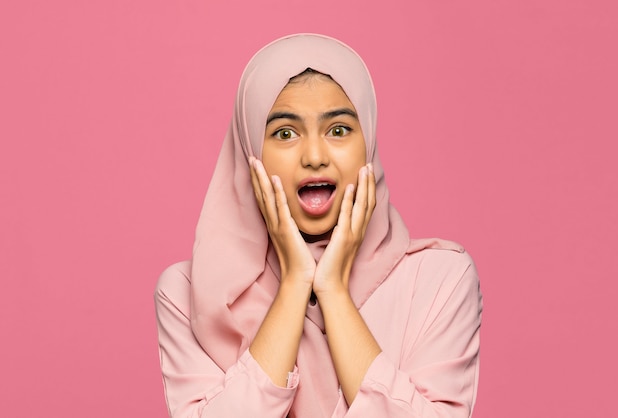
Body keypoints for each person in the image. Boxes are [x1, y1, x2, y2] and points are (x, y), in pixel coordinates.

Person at [155, 33, 482, 418]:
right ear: (250, 152)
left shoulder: (440, 279)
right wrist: (294, 283)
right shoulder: (190, 293)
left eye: (339, 129)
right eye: (285, 133)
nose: (314, 157)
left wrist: (333, 292)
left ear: (369, 142)